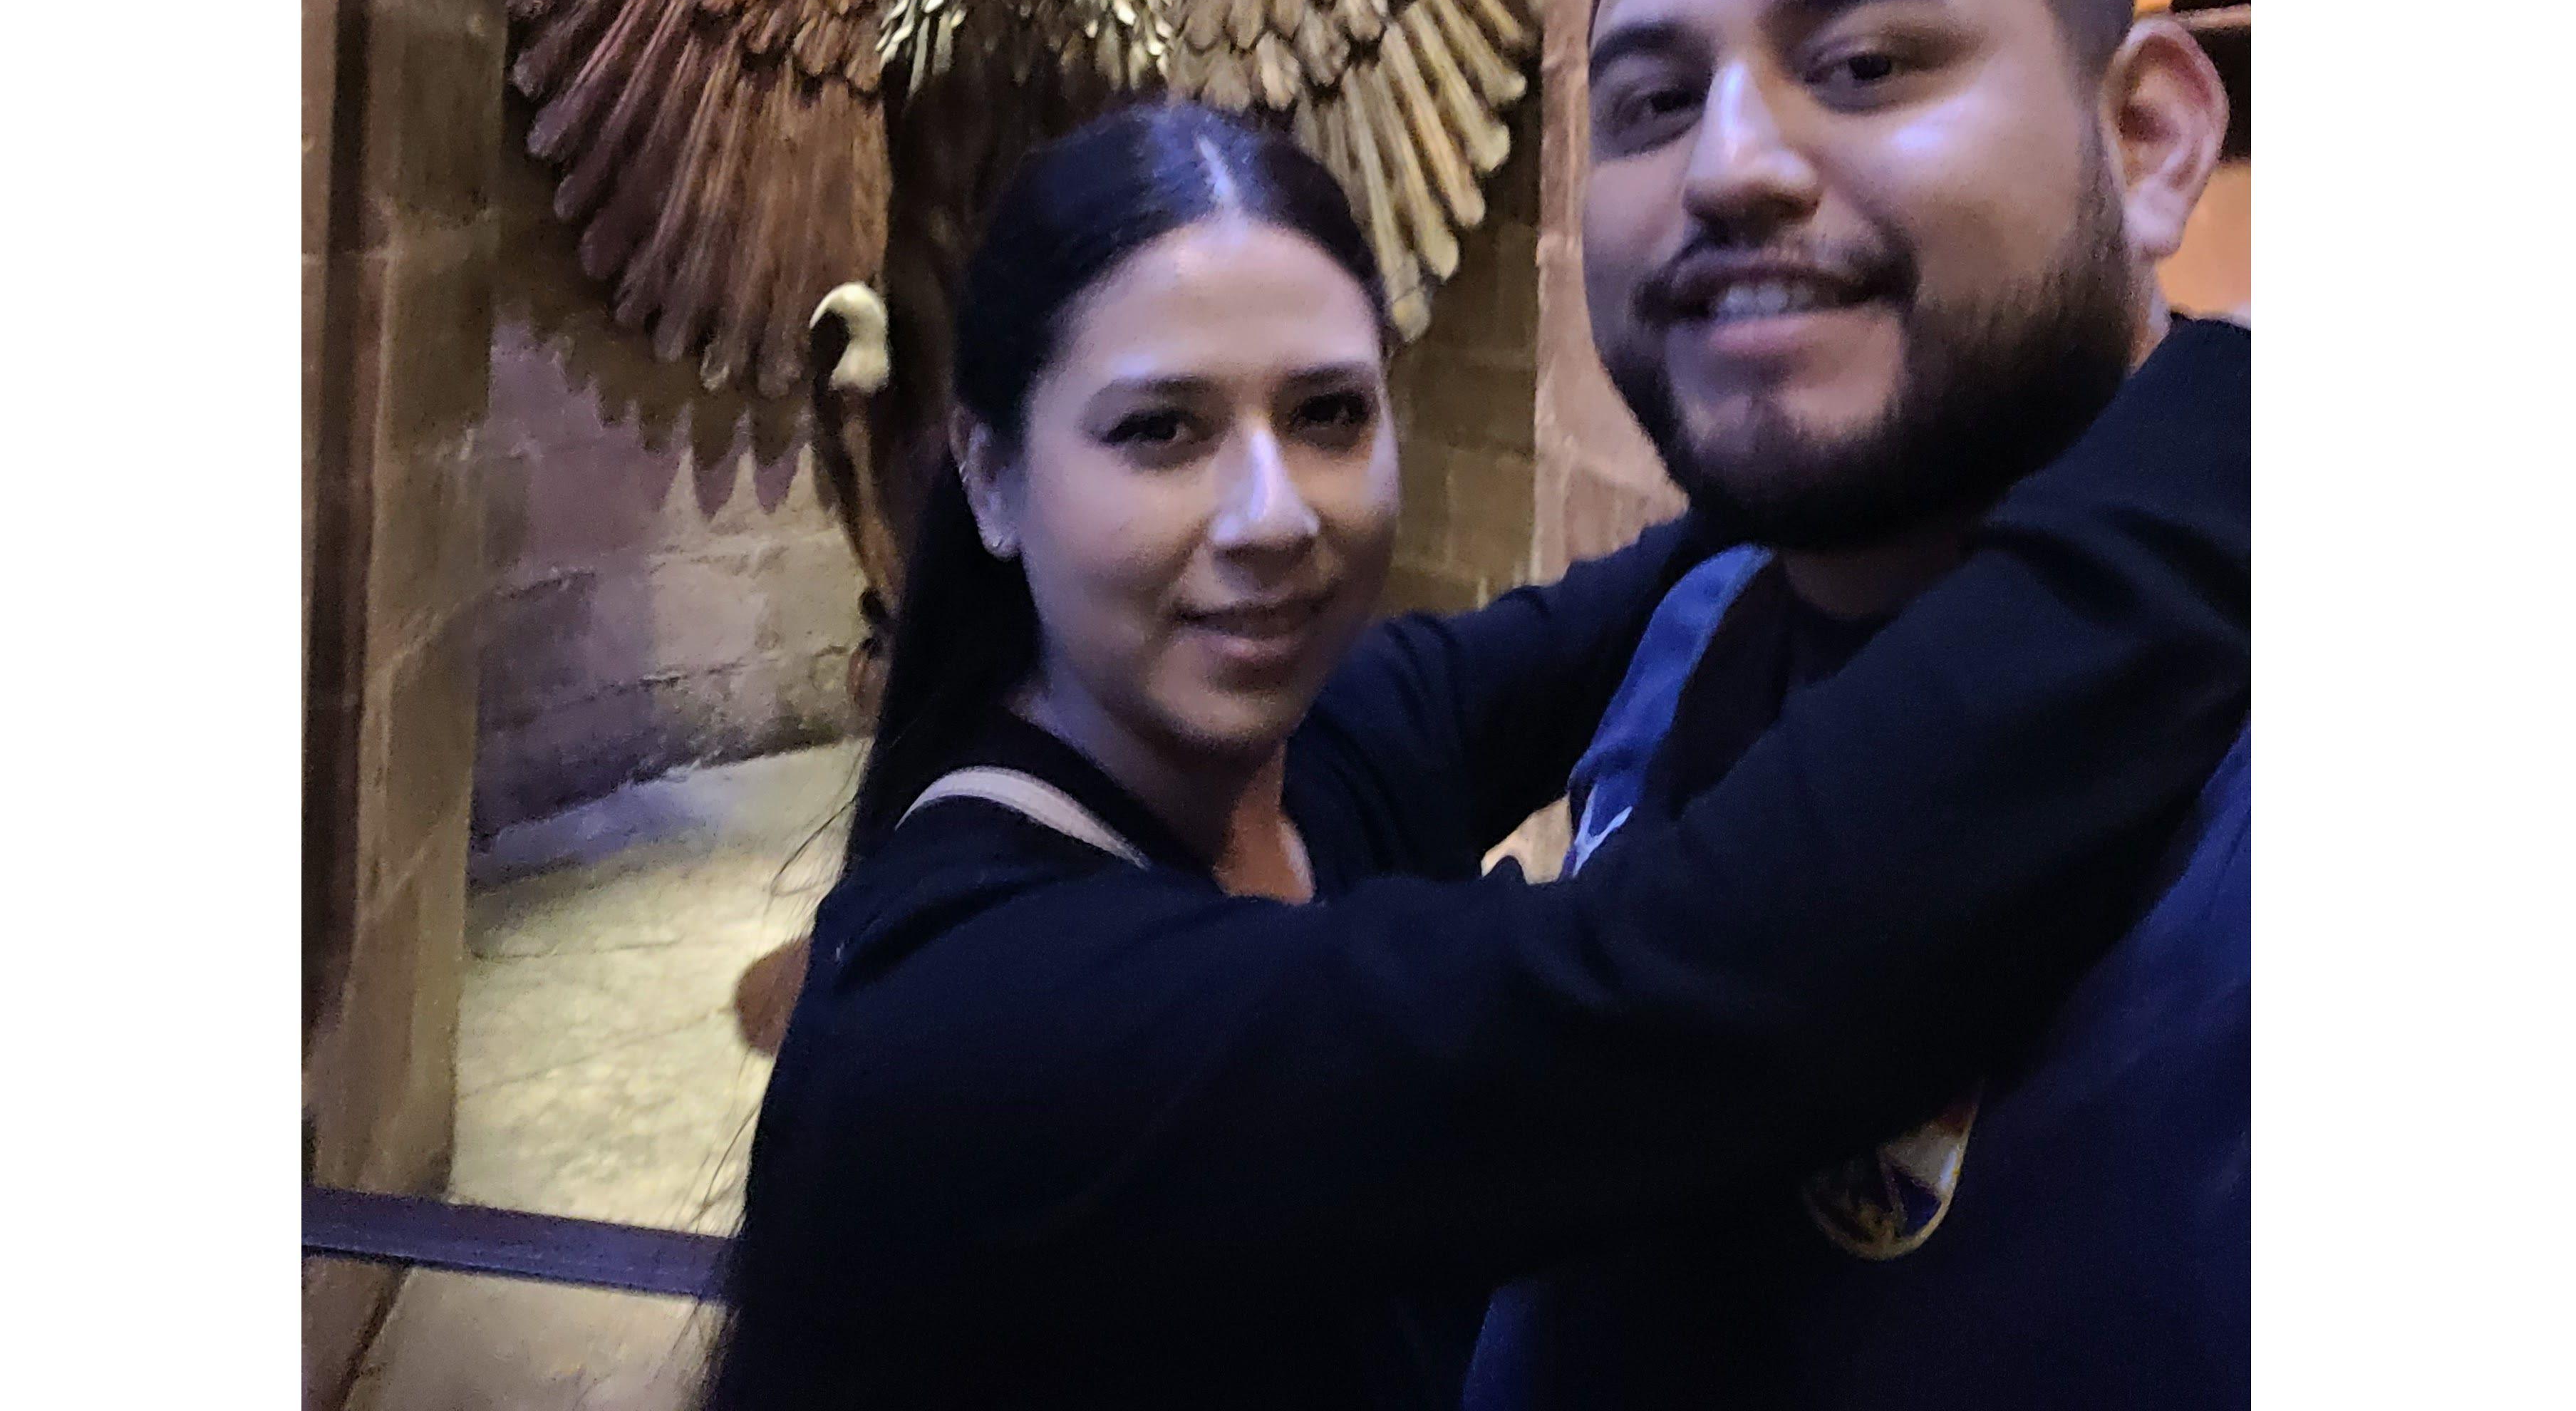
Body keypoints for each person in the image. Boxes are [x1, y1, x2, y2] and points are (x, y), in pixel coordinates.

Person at [712, 91, 2246, 1410]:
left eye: (1328, 414)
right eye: (1160, 430)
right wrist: (2238, 405)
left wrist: (1959, 364)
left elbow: (1669, 574)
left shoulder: (1310, 762)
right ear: (988, 478)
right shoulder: (974, 1012)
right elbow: (1700, 980)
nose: (1271, 516)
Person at [1465, 0, 2250, 1410]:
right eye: (1651, 103)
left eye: (1865, 65)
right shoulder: (1692, 633)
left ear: (2150, 141)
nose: (1728, 167)